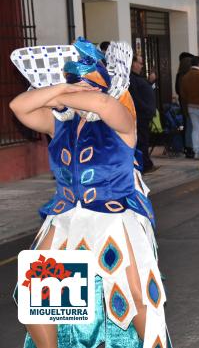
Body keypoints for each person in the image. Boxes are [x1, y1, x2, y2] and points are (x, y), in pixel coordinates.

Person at [9, 38, 171, 347]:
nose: (79, 91)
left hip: (114, 217)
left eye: (86, 84)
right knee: (35, 293)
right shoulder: (60, 126)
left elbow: (102, 104)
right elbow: (19, 106)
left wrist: (68, 93)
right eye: (75, 83)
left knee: (136, 297)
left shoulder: (121, 119)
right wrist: (61, 91)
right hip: (66, 217)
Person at [129, 54, 157, 173]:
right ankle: (144, 164)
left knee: (144, 140)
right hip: (140, 115)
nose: (141, 66)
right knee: (141, 141)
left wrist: (150, 82)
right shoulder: (131, 78)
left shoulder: (138, 78)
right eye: (140, 63)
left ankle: (145, 162)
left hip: (144, 115)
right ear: (133, 63)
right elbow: (135, 98)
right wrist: (146, 108)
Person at [176, 51, 195, 158]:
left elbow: (177, 90)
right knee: (190, 126)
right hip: (189, 104)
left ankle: (188, 147)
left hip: (184, 103)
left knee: (188, 125)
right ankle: (189, 148)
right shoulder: (188, 75)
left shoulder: (179, 74)